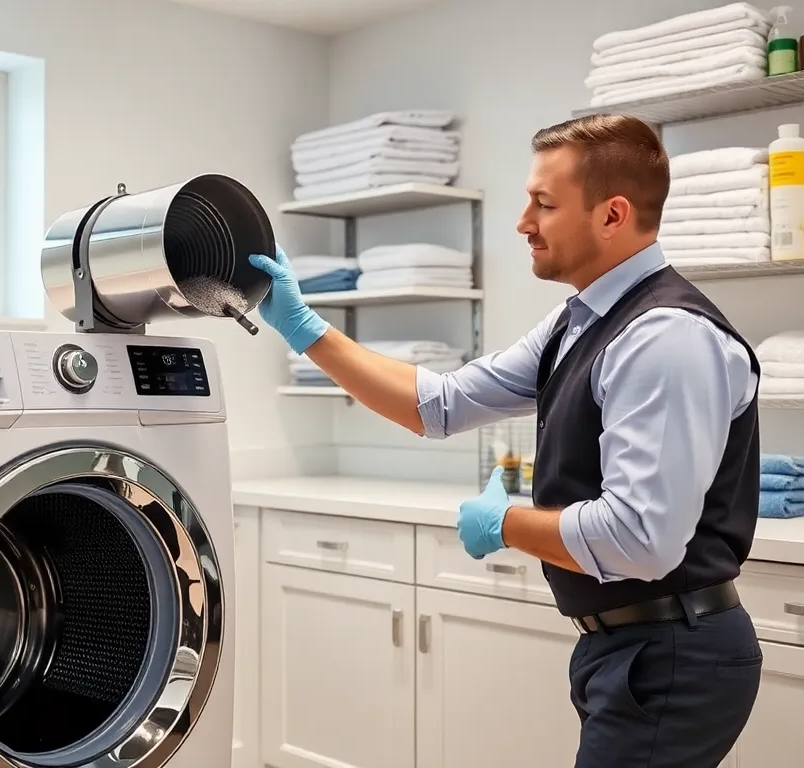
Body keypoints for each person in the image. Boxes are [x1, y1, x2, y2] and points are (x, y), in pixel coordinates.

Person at [248, 113, 763, 768]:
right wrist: (304, 327)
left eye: (543, 204)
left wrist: (507, 523)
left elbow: (641, 538)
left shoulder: (665, 337)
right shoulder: (577, 321)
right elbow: (441, 404)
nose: (523, 222)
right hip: (624, 648)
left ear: (612, 215)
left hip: (674, 652)